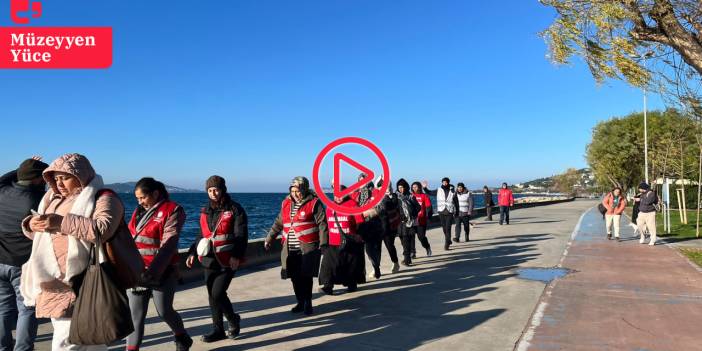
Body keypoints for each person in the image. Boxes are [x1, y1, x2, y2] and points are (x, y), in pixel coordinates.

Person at [20, 153, 123, 351]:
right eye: (55, 178)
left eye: (64, 177)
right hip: (53, 281)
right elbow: (50, 238)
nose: (59, 183)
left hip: (83, 280)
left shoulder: (103, 198)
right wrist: (31, 225)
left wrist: (60, 222)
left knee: (68, 342)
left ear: (81, 176)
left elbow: (102, 229)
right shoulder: (51, 199)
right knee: (88, 340)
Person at [127, 178, 192, 351]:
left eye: (143, 198)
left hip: (162, 272)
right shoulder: (138, 212)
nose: (140, 202)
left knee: (164, 311)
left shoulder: (173, 210)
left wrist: (152, 272)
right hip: (137, 272)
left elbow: (169, 243)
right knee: (135, 317)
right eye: (137, 199)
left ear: (155, 194)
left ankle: (182, 336)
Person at [186, 176, 247, 342]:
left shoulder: (235, 209)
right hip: (208, 260)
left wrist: (237, 256)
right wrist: (192, 253)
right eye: (210, 190)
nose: (213, 193)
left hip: (228, 260)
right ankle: (218, 330)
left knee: (218, 293)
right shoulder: (205, 210)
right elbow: (201, 235)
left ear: (223, 189)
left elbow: (241, 235)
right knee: (212, 296)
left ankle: (233, 319)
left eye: (216, 189)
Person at [0, 157, 47, 351]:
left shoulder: (2, 192)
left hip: (0, 260)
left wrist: (21, 168)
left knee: (3, 308)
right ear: (37, 180)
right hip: (22, 264)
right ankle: (23, 349)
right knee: (26, 309)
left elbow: (3, 179)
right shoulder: (36, 200)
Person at [265, 177, 328, 316]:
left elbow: (322, 224)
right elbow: (278, 223)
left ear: (304, 189)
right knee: (294, 277)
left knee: (306, 276)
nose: (295, 193)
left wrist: (323, 244)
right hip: (289, 247)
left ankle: (308, 303)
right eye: (293, 191)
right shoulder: (286, 203)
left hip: (308, 247)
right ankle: (300, 302)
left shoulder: (314, 203)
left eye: (298, 190)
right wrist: (269, 238)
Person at [319, 186, 366, 295]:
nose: (339, 197)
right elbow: (325, 223)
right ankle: (328, 286)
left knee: (349, 265)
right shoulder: (330, 206)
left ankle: (351, 284)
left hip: (349, 242)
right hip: (332, 242)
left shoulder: (353, 204)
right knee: (328, 265)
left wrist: (358, 235)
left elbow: (360, 221)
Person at [352, 174, 384, 280]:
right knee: (362, 252)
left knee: (374, 249)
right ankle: (362, 275)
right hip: (360, 227)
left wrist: (366, 213)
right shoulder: (355, 195)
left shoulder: (375, 192)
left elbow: (381, 208)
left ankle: (376, 267)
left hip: (375, 226)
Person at [423, 178, 458, 250]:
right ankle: (448, 239)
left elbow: (456, 202)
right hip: (441, 211)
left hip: (449, 211)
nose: (444, 183)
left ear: (448, 182)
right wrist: (425, 187)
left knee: (448, 228)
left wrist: (457, 211)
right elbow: (429, 193)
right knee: (444, 228)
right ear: (442, 183)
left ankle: (447, 244)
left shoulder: (453, 191)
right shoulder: (438, 190)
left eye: (446, 182)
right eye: (443, 182)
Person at [377, 183, 401, 273]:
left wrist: (384, 197)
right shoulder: (377, 198)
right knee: (376, 249)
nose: (387, 189)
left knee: (390, 246)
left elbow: (391, 205)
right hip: (378, 227)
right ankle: (376, 268)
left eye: (389, 187)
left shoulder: (394, 197)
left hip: (390, 227)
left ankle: (395, 262)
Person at [396, 179, 420, 266]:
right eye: (399, 188)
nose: (401, 189)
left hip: (409, 223)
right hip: (400, 223)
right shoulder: (397, 197)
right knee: (403, 241)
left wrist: (412, 214)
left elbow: (418, 207)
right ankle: (408, 258)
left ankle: (406, 260)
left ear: (405, 187)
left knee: (406, 241)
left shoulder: (411, 196)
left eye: (402, 187)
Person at [410, 182, 432, 258]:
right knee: (411, 236)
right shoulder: (410, 196)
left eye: (416, 187)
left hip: (421, 220)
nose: (414, 188)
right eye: (413, 187)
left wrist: (428, 216)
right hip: (412, 220)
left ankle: (427, 247)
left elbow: (429, 207)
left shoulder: (424, 196)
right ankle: (413, 252)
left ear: (419, 187)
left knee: (421, 237)